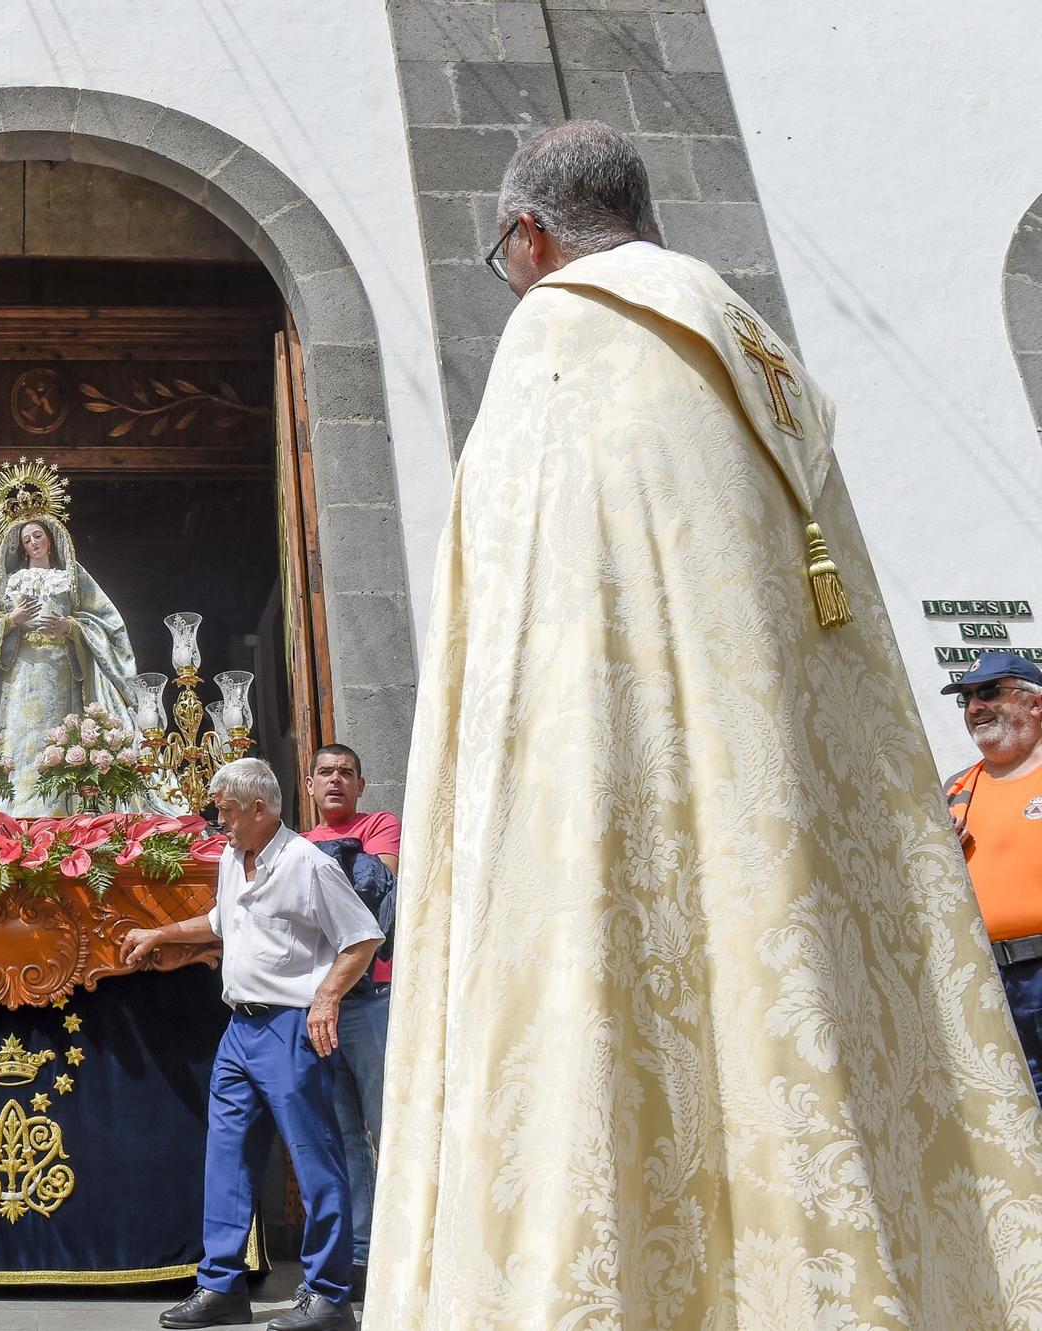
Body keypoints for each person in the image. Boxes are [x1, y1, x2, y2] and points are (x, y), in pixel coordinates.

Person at [368, 120, 1042, 1325]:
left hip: (617, 792)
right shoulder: (750, 344)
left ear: (526, 236)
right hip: (787, 808)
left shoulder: (563, 331)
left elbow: (520, 622)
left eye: (503, 257)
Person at [122, 758, 379, 1331]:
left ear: (260, 808)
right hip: (238, 1031)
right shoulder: (231, 861)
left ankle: (331, 1297)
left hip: (291, 1028)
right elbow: (221, 921)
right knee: (227, 1159)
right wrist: (159, 934)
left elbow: (361, 937)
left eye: (228, 811)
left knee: (315, 1162)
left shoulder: (308, 863)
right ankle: (221, 1288)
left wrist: (327, 998)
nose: (221, 822)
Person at [0, 465, 141, 814]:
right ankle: (11, 810)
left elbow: (106, 625)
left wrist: (71, 629)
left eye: (37, 536)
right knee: (16, 738)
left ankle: (62, 810)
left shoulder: (72, 578)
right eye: (26, 540)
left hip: (61, 672)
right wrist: (9, 622)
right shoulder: (8, 581)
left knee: (61, 735)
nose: (33, 543)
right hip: (18, 674)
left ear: (50, 536)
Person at [298, 743, 397, 1294]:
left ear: (360, 785)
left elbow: (370, 890)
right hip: (318, 1006)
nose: (336, 780)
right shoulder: (293, 844)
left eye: (346, 773)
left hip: (374, 999)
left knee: (387, 1125)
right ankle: (359, 1256)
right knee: (342, 1136)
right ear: (309, 785)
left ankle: (403, 1247)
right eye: (325, 773)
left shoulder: (381, 824)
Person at [941, 650, 1042, 1093]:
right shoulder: (956, 789)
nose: (975, 707)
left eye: (988, 692)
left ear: (1035, 703)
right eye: (966, 698)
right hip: (990, 979)